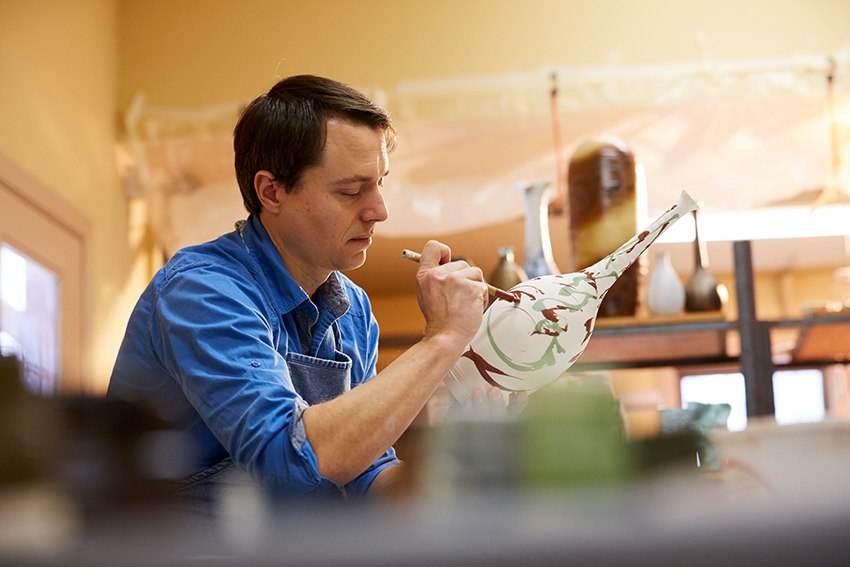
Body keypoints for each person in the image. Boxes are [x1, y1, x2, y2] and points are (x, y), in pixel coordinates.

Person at [108, 75, 499, 504]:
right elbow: (289, 461)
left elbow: (366, 474)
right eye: (351, 190)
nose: (379, 211)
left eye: (380, 183)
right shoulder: (201, 292)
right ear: (271, 192)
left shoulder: (353, 310)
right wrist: (441, 339)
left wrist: (458, 472)